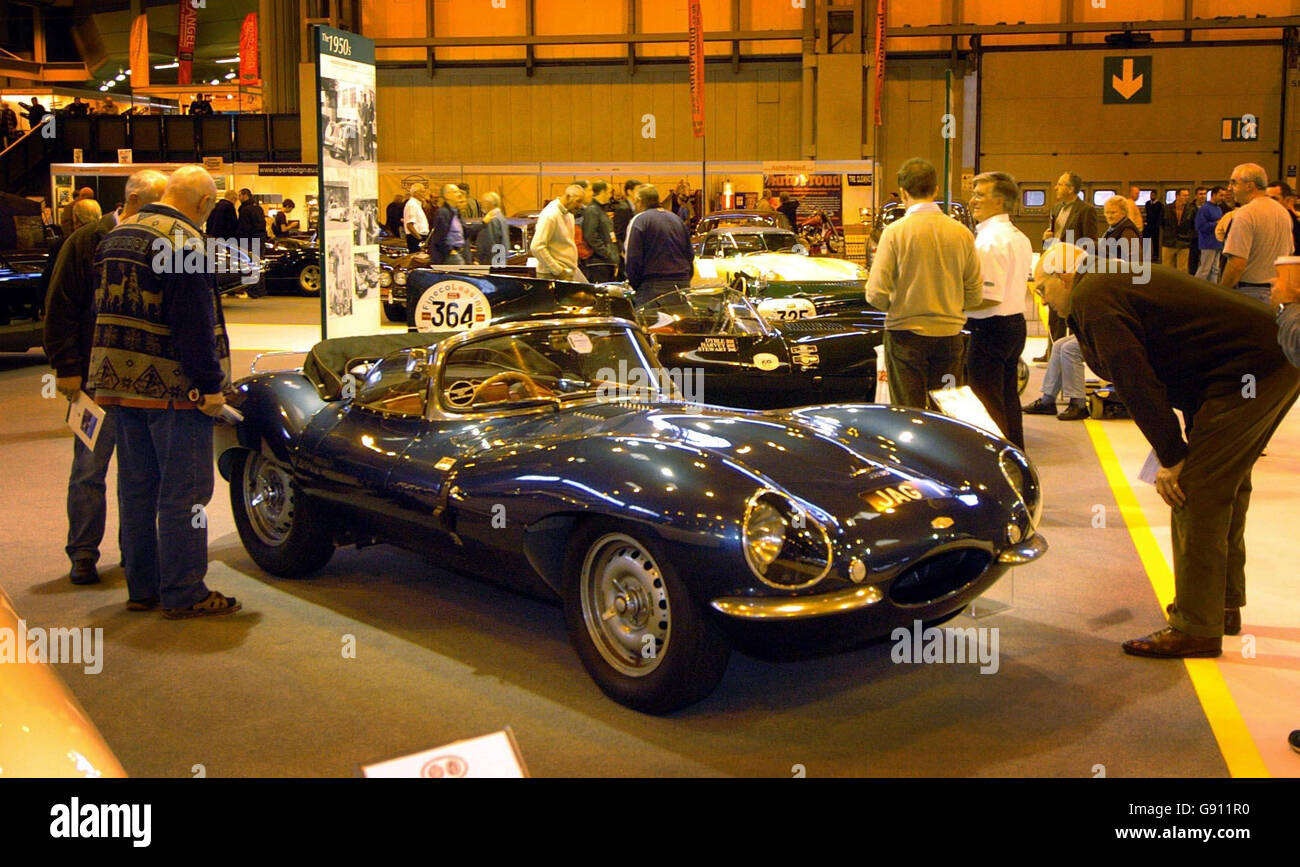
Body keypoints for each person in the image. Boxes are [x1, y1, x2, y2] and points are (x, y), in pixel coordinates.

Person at [1035, 241, 1300, 658]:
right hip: (1245, 364)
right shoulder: (1108, 279)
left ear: (1064, 277)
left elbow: (1134, 378)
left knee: (1195, 491)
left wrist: (1172, 455)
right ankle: (1220, 605)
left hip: (1250, 367)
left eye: (1041, 288)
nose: (1043, 298)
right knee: (1224, 485)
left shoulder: (1093, 295)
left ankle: (1197, 626)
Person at [87, 164, 242, 618]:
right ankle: (184, 591)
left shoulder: (117, 235)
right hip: (174, 391)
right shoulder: (185, 243)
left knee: (136, 489)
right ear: (203, 204)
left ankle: (143, 587)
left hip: (118, 386)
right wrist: (210, 387)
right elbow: (193, 325)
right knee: (185, 494)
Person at [43, 170, 166, 586]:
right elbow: (59, 307)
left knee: (139, 473)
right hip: (94, 380)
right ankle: (82, 554)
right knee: (89, 470)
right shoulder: (85, 242)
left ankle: (135, 553)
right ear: (134, 201)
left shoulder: (156, 242)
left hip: (140, 380)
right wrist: (67, 369)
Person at [866, 158, 982, 409]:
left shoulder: (895, 233)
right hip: (950, 336)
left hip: (905, 335)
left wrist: (897, 307)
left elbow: (875, 292)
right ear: (936, 190)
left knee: (909, 413)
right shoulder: (961, 233)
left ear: (904, 192)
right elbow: (974, 294)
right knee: (947, 410)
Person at [966, 171, 1032, 447]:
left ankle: (996, 461)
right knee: (1007, 398)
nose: (972, 201)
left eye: (980, 195)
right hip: (1013, 324)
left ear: (1000, 201)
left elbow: (989, 296)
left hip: (988, 327)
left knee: (987, 401)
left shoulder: (990, 242)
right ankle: (1015, 452)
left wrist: (950, 303)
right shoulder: (1018, 236)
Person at [1038, 171, 1097, 362]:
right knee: (1054, 312)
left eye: (1060, 184)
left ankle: (1074, 352)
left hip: (1073, 270)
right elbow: (1054, 236)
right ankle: (1052, 351)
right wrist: (1046, 239)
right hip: (1055, 266)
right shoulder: (1056, 208)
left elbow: (1090, 243)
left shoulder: (1085, 210)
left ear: (1071, 188)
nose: (1056, 187)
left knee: (1072, 312)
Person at [1220, 163, 1294, 304]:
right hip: (1276, 294)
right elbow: (1288, 255)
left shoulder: (1246, 214)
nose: (1229, 188)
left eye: (1234, 183)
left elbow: (1237, 264)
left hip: (1249, 294)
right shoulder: (1283, 213)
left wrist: (1222, 293)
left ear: (1249, 186)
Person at [623, 184, 694, 306]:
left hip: (652, 286)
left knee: (652, 324)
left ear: (639, 201)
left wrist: (636, 285)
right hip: (681, 284)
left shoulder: (639, 220)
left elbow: (632, 258)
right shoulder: (676, 219)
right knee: (680, 323)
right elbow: (689, 254)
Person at [531, 184, 587, 282]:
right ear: (567, 196)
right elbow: (536, 247)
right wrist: (557, 270)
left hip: (567, 271)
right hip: (552, 275)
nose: (579, 206)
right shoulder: (550, 214)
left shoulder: (569, 214)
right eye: (578, 201)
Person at [581, 180, 618, 283]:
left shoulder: (600, 210)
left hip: (604, 262)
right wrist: (606, 253)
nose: (611, 196)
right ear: (602, 192)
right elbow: (590, 236)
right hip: (598, 263)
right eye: (610, 192)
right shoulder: (592, 210)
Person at [1193, 186, 1227, 283]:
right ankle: (1196, 288)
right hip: (1207, 243)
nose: (1223, 198)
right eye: (1221, 195)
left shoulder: (1219, 209)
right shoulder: (1204, 209)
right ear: (1214, 195)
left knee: (1215, 270)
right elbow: (1200, 226)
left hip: (1217, 242)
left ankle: (1213, 290)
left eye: (1224, 195)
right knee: (1205, 269)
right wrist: (1216, 223)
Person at [427, 183, 467, 265]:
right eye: (455, 192)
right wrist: (451, 251)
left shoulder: (455, 212)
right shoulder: (443, 213)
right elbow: (439, 237)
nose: (459, 194)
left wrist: (483, 223)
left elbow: (465, 231)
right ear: (447, 196)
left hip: (456, 253)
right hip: (449, 256)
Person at [1160, 188, 1196, 273]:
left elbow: (1193, 226)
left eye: (1188, 195)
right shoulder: (1167, 208)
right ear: (1177, 196)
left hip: (1184, 243)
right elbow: (1162, 223)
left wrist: (1189, 237)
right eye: (1184, 195)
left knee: (1183, 270)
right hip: (1168, 242)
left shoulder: (1191, 210)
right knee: (1167, 269)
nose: (1186, 197)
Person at [1264, 180, 1300, 256]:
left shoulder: (1295, 224)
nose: (1269, 202)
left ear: (1287, 201)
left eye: (1274, 199)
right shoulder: (1260, 220)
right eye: (1266, 199)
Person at [474, 191, 510, 266]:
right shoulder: (501, 217)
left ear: (489, 203)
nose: (481, 205)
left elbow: (489, 242)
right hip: (499, 259)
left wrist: (480, 257)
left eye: (483, 202)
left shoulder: (491, 219)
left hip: (491, 260)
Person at [403, 184, 429, 253]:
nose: (424, 194)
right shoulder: (412, 205)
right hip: (415, 238)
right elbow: (409, 225)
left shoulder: (417, 205)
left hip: (419, 236)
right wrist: (419, 239)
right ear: (415, 193)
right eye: (422, 192)